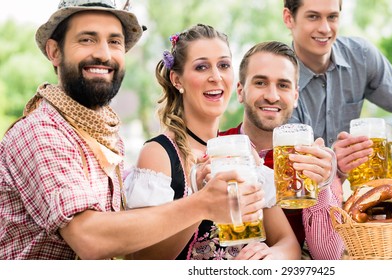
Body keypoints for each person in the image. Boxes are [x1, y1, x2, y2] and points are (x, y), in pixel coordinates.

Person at [0, 0, 264, 260]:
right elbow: (90, 239)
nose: (104, 54)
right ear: (55, 52)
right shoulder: (41, 131)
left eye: (114, 42)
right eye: (87, 39)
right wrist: (202, 202)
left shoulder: (102, 134)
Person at [123, 25, 300, 260]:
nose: (216, 77)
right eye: (201, 67)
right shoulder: (160, 154)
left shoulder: (243, 151)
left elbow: (288, 243)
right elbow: (144, 260)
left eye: (224, 65)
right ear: (177, 80)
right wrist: (200, 202)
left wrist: (270, 258)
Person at [219, 41, 345, 260]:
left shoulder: (316, 159)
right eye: (260, 82)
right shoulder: (217, 147)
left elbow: (329, 259)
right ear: (240, 91)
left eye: (283, 85)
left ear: (295, 96)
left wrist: (322, 187)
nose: (272, 96)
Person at [281, 0, 392, 179]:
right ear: (289, 18)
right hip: (298, 197)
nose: (325, 28)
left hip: (346, 194)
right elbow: (292, 173)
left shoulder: (361, 57)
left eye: (332, 17)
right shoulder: (279, 80)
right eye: (313, 17)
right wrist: (334, 162)